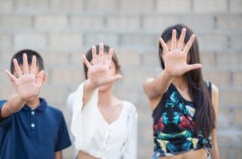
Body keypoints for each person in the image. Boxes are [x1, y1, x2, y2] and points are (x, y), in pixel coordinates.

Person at [143, 25, 219, 159]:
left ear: (191, 52)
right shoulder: (153, 86)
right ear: (161, 55)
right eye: (169, 51)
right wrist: (169, 72)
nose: (175, 55)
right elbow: (156, 88)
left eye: (181, 50)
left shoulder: (210, 91)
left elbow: (212, 142)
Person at [0, 49, 71, 159]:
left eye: (31, 77)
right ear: (13, 81)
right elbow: (9, 107)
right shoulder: (5, 108)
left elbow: (57, 153)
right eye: (20, 77)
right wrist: (22, 96)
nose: (26, 83)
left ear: (42, 79)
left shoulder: (56, 115)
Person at [67, 43, 138, 159]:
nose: (102, 73)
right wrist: (92, 84)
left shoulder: (128, 110)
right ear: (87, 72)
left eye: (107, 68)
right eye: (94, 68)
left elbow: (131, 154)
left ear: (117, 70)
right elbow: (78, 99)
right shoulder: (76, 101)